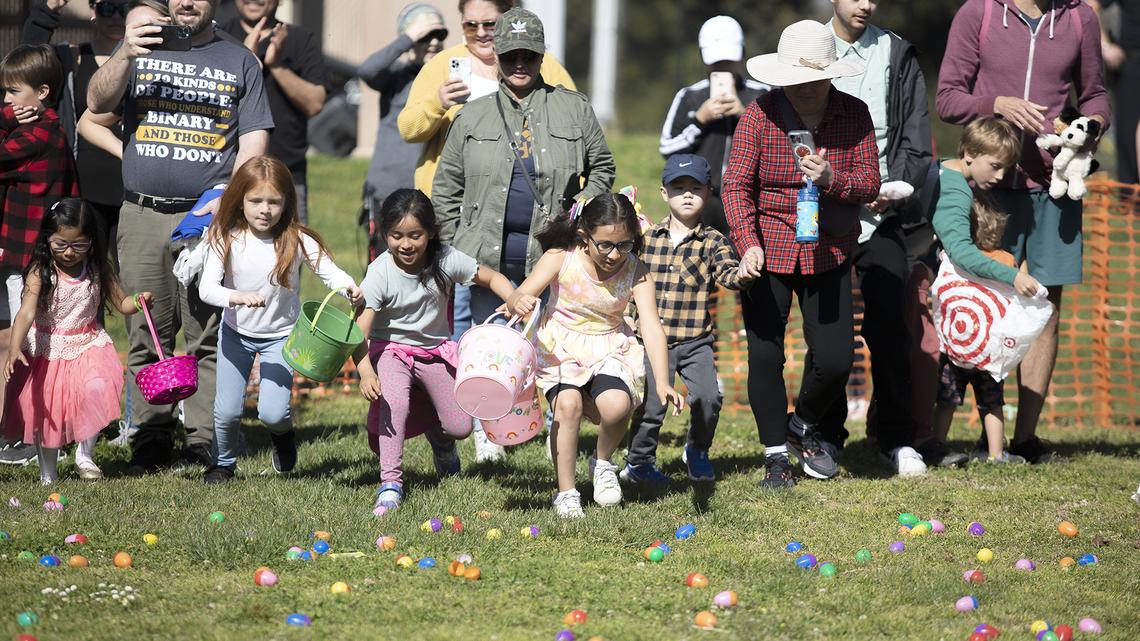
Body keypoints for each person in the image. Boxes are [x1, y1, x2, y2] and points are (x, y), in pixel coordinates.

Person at [86, 0, 273, 474]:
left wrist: (227, 203)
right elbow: (96, 105)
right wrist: (124, 54)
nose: (187, 1)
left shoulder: (239, 60)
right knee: (146, 329)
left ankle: (204, 440)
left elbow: (253, 142)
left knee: (207, 333)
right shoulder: (140, 48)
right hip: (142, 212)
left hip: (206, 218)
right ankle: (150, 438)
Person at [433, 6, 614, 463]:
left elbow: (603, 168)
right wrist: (456, 251)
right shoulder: (471, 117)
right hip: (485, 257)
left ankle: (558, 432)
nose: (519, 64)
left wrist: (579, 210)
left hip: (550, 254)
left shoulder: (574, 108)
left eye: (528, 56)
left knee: (551, 348)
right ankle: (487, 431)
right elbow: (446, 189)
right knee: (488, 346)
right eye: (510, 55)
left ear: (541, 56)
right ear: (496, 56)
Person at [937, 0, 1110, 463]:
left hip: (1056, 189)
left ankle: (1026, 439)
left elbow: (1095, 94)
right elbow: (947, 98)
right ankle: (987, 434)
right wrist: (995, 104)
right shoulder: (978, 13)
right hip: (993, 190)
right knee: (987, 307)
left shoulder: (1080, 17)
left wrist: (1092, 127)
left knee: (1044, 310)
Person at [724, 20, 881, 489]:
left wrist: (833, 178)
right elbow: (736, 185)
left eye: (815, 78)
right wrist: (748, 242)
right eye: (797, 79)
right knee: (765, 355)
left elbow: (870, 183)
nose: (806, 87)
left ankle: (801, 425)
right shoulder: (759, 114)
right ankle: (775, 457)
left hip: (830, 250)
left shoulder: (854, 114)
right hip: (767, 249)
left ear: (831, 74)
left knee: (836, 359)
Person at [505, 194, 684, 518]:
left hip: (609, 345)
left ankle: (602, 462)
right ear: (584, 236)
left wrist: (662, 381)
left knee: (617, 406)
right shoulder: (561, 257)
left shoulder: (636, 271)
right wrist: (518, 300)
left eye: (624, 245)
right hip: (561, 348)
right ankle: (566, 492)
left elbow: (651, 326)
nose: (615, 254)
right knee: (568, 405)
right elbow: (521, 293)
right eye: (605, 245)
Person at [821, 0, 934, 476]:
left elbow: (915, 136)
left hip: (883, 212)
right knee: (827, 332)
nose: (865, 4)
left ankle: (897, 438)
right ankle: (824, 436)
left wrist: (893, 190)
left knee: (889, 327)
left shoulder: (896, 51)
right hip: (823, 212)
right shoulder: (810, 46)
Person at [198, 156, 362, 484]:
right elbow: (207, 289)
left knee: (273, 412)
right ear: (240, 200)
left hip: (283, 338)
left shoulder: (297, 238)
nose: (265, 210)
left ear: (287, 201)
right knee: (227, 411)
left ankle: (283, 437)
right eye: (255, 201)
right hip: (235, 334)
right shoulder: (225, 236)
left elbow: (330, 272)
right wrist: (236, 296)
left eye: (274, 201)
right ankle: (223, 463)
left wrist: (349, 288)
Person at [351, 189, 516, 514]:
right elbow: (359, 330)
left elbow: (491, 276)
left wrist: (512, 297)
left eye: (415, 235)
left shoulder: (445, 259)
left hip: (435, 351)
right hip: (391, 351)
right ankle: (390, 484)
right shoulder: (380, 271)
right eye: (396, 235)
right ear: (385, 234)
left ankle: (441, 443)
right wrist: (366, 370)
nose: (405, 244)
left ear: (430, 233)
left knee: (460, 427)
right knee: (396, 405)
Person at [623, 155, 752, 486]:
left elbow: (728, 275)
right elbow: (626, 278)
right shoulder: (645, 238)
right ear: (664, 193)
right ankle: (639, 462)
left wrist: (744, 273)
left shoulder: (714, 241)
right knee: (651, 406)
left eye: (695, 188)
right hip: (652, 342)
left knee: (709, 398)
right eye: (679, 188)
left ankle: (697, 449)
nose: (687, 194)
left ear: (708, 193)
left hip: (696, 342)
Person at [3, 198, 151, 483]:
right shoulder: (41, 271)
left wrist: (138, 301)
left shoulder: (98, 268)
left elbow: (122, 303)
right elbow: (26, 312)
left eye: (78, 245)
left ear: (91, 241)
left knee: (96, 388)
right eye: (61, 244)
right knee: (47, 413)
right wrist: (14, 347)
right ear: (48, 239)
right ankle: (48, 475)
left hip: (87, 344)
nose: (69, 252)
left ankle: (85, 455)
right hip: (47, 349)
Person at [926, 117, 1043, 460]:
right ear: (969, 153)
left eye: (1006, 168)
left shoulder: (944, 170)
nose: (1000, 176)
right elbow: (961, 253)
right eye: (994, 166)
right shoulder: (956, 192)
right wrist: (1012, 277)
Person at [397, 0, 575, 197]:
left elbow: (576, 128)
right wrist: (437, 103)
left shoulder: (543, 64)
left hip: (526, 196)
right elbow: (408, 130)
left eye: (490, 24)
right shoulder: (440, 65)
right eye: (471, 26)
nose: (480, 33)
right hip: (453, 198)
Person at [0, 44, 79, 467]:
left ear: (43, 93)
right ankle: (18, 429)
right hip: (18, 258)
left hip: (28, 261)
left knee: (27, 342)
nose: (7, 100)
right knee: (13, 340)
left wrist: (7, 119)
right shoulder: (42, 132)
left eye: (13, 92)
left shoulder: (39, 135)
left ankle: (30, 433)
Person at [933, 193, 1032, 464]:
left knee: (947, 400)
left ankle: (937, 445)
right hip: (990, 351)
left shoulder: (954, 258)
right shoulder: (1006, 260)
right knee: (992, 404)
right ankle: (996, 454)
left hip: (956, 346)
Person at [658, 16, 768, 239]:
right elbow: (667, 148)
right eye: (716, 62)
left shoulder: (761, 94)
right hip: (700, 198)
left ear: (741, 54)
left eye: (728, 60)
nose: (722, 67)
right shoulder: (689, 96)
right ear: (703, 57)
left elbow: (779, 144)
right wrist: (699, 120)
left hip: (751, 198)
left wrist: (745, 115)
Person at [220, 0, 328, 223]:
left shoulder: (300, 40)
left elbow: (315, 103)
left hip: (287, 175)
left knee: (288, 244)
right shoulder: (220, 37)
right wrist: (245, 60)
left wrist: (277, 65)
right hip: (226, 175)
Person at [359, 3, 448, 261]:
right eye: (425, 36)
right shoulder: (395, 76)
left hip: (433, 192)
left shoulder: (449, 78)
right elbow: (367, 70)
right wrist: (408, 38)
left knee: (432, 269)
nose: (433, 42)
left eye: (438, 34)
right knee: (386, 268)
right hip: (389, 190)